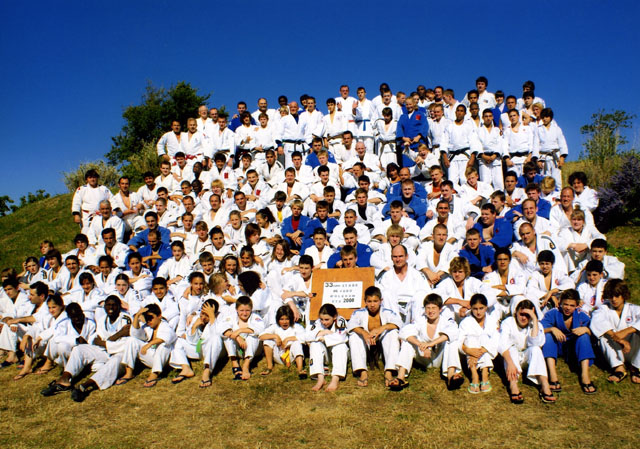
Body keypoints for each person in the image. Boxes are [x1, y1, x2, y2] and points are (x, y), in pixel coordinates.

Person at [40, 295, 132, 400]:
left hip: (120, 354)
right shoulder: (102, 319)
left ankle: (85, 386)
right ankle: (64, 380)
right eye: (108, 305)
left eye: (114, 305)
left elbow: (124, 344)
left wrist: (106, 342)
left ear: (119, 306)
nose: (111, 308)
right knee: (79, 349)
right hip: (104, 351)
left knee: (113, 363)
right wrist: (115, 336)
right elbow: (97, 340)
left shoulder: (125, 319)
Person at [393, 293, 462, 391]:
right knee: (407, 342)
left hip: (439, 357)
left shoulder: (446, 321)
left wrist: (430, 344)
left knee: (452, 341)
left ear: (440, 309)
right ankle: (401, 378)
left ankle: (451, 376)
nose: (430, 311)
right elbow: (404, 332)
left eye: (434, 308)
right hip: (422, 357)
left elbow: (453, 332)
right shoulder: (420, 320)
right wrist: (421, 345)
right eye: (428, 308)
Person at [499, 297, 556, 403]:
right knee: (511, 349)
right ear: (516, 312)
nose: (524, 318)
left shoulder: (536, 324)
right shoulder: (508, 322)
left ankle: (544, 384)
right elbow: (502, 344)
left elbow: (535, 343)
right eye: (522, 314)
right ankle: (513, 385)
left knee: (536, 349)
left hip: (526, 356)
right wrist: (510, 363)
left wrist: (534, 319)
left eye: (527, 315)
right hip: (511, 357)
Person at [541, 289, 596, 395]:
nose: (568, 308)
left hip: (574, 348)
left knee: (584, 336)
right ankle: (553, 376)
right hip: (558, 346)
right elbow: (539, 329)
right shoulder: (554, 312)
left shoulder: (582, 315)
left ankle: (585, 376)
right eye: (565, 304)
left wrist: (587, 330)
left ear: (577, 305)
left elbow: (594, 335)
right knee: (548, 336)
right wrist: (552, 329)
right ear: (560, 302)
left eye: (572, 305)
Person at [348, 286, 402, 387]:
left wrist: (382, 328)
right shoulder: (359, 313)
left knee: (393, 332)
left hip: (382, 345)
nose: (372, 304)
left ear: (381, 301)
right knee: (354, 336)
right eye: (369, 301)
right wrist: (364, 333)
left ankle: (389, 371)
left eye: (375, 301)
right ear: (365, 301)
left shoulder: (387, 312)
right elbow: (351, 325)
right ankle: (362, 371)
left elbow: (399, 323)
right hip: (366, 344)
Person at [590, 279, 640, 384]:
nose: (613, 299)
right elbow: (596, 321)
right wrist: (619, 339)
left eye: (617, 296)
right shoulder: (603, 309)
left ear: (624, 295)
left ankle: (636, 367)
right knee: (603, 336)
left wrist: (627, 331)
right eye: (611, 296)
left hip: (633, 348)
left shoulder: (634, 309)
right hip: (615, 348)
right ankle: (619, 368)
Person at [117, 303, 176, 387]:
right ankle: (129, 372)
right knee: (131, 340)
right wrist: (137, 316)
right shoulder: (147, 327)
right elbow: (135, 334)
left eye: (151, 318)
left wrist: (148, 345)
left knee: (163, 345)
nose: (149, 321)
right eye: (147, 318)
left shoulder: (165, 326)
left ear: (159, 316)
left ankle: (154, 375)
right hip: (151, 356)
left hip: (163, 359)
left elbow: (167, 337)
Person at [169, 299, 223, 387]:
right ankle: (186, 368)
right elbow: (192, 342)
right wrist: (194, 327)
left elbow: (215, 335)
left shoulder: (219, 319)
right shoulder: (196, 318)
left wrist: (212, 317)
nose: (203, 317)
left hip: (214, 351)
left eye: (207, 315)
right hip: (200, 349)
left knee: (215, 338)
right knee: (178, 340)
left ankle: (207, 371)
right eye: (202, 313)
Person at [456, 294, 499, 394]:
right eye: (475, 309)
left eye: (481, 308)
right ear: (471, 308)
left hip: (485, 350)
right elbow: (460, 341)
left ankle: (484, 374)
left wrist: (482, 350)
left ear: (486, 307)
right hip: (470, 350)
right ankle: (474, 374)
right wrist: (468, 350)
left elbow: (496, 338)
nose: (478, 312)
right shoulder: (465, 322)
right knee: (471, 339)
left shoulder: (492, 321)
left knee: (484, 338)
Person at [219, 295, 265, 381]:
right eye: (241, 310)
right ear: (236, 309)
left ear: (251, 309)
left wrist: (240, 330)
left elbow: (260, 329)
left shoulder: (256, 317)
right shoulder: (231, 317)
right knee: (228, 335)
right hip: (238, 349)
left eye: (247, 310)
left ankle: (246, 365)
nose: (244, 313)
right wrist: (237, 337)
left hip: (253, 350)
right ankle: (234, 363)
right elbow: (222, 329)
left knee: (253, 336)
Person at [306, 303, 349, 392]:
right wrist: (322, 332)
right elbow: (308, 336)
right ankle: (320, 377)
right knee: (315, 344)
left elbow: (342, 337)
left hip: (340, 354)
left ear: (334, 317)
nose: (324, 322)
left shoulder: (341, 321)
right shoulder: (318, 322)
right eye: (322, 319)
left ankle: (335, 378)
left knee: (340, 345)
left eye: (326, 319)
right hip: (326, 355)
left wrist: (324, 338)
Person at [259, 305, 307, 378]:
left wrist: (288, 339)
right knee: (267, 341)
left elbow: (305, 337)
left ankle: (300, 369)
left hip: (291, 356)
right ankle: (269, 367)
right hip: (279, 355)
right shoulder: (275, 327)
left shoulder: (296, 327)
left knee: (297, 343)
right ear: (278, 320)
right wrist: (275, 336)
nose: (284, 322)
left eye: (287, 319)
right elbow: (261, 336)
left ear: (291, 319)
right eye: (282, 319)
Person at [71, 169, 113, 234]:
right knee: (87, 235)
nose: (92, 179)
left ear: (97, 178)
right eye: (90, 177)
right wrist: (76, 214)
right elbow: (76, 202)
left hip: (102, 215)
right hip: (87, 217)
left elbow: (112, 200)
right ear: (86, 179)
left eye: (94, 177)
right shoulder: (82, 189)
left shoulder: (103, 189)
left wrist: (115, 210)